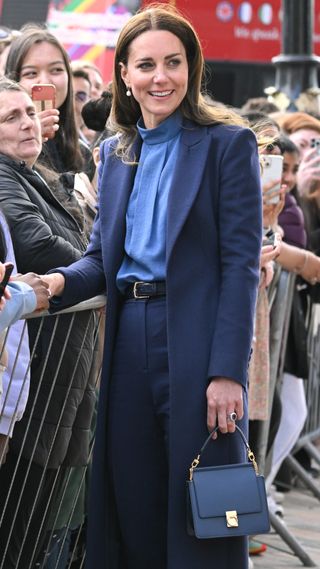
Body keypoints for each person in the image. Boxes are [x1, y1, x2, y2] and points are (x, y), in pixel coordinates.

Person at [44, 5, 262, 569]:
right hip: (128, 340)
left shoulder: (227, 144)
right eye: (146, 65)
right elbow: (100, 259)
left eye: (173, 62)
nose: (160, 76)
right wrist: (53, 283)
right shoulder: (115, 155)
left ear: (192, 67)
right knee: (132, 498)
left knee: (202, 509)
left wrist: (227, 372)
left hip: (195, 338)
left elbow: (239, 265)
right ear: (124, 74)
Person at [0, 78, 97, 569]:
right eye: (10, 118)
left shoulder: (32, 173)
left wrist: (86, 272)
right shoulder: (3, 178)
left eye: (28, 112)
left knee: (41, 516)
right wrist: (95, 273)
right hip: (36, 365)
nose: (27, 123)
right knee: (19, 519)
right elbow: (38, 245)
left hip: (65, 362)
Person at [5, 24, 88, 174]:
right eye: (31, 73)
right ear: (13, 80)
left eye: (56, 70)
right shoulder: (6, 150)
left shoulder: (84, 152)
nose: (45, 80)